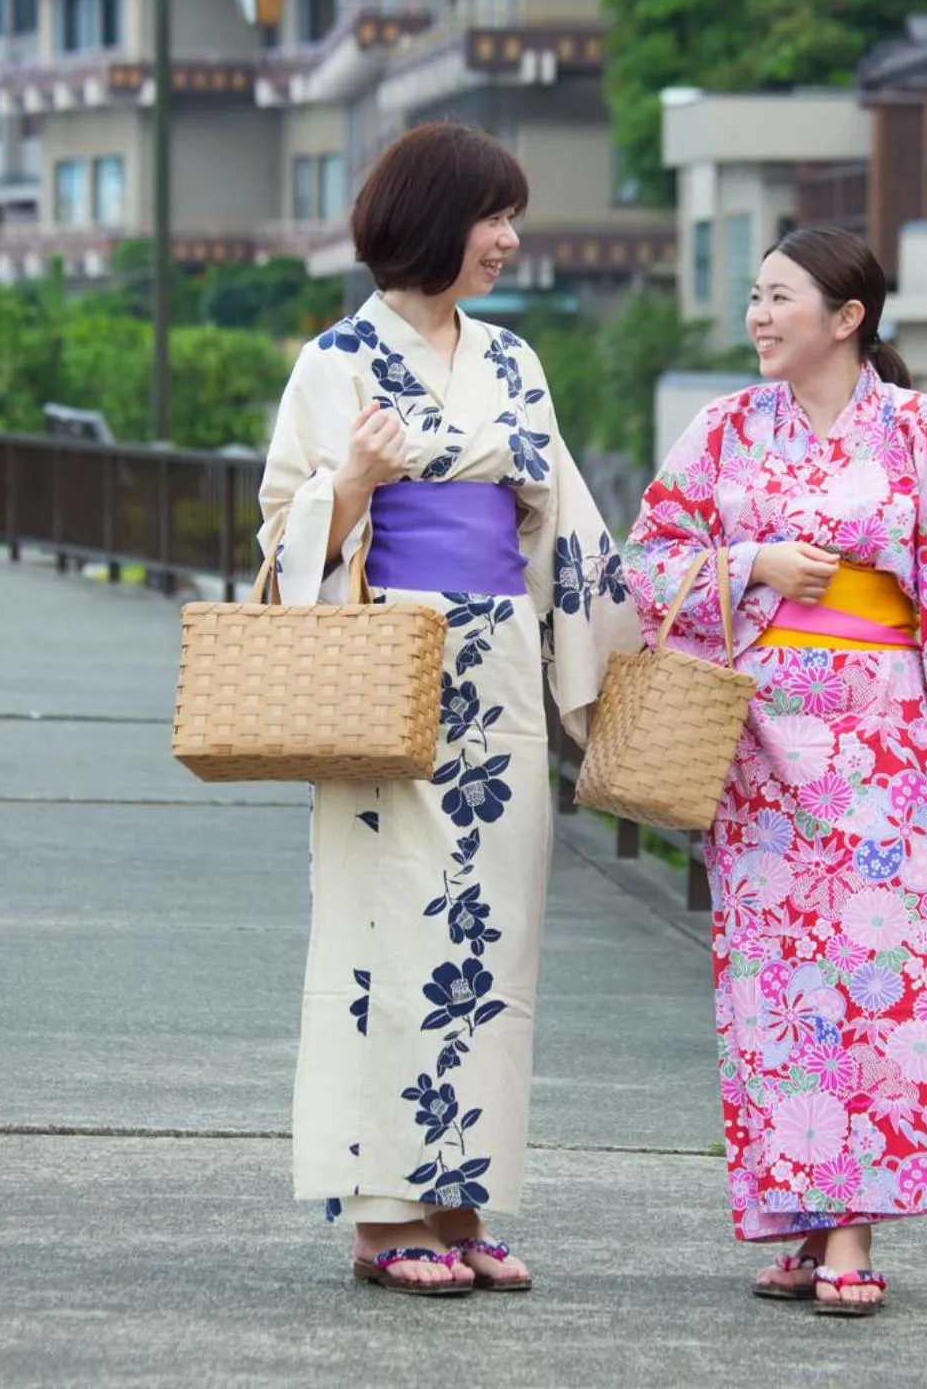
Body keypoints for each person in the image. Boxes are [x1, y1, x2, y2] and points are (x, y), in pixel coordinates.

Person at [260, 121, 636, 1297]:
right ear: (432, 221)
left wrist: (621, 660)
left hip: (498, 677)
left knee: (488, 942)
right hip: (388, 672)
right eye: (491, 217)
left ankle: (458, 1197)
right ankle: (382, 1217)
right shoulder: (334, 362)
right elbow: (278, 537)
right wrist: (353, 483)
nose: (508, 239)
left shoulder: (513, 362)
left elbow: (566, 527)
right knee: (385, 936)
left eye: (510, 217)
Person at [623, 226, 927, 1318]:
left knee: (878, 974)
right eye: (753, 296)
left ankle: (852, 1231)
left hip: (883, 739)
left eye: (778, 297)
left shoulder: (925, 430)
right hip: (756, 745)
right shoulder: (724, 427)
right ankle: (799, 1216)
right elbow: (644, 564)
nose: (757, 316)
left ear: (847, 317)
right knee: (777, 990)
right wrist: (753, 562)